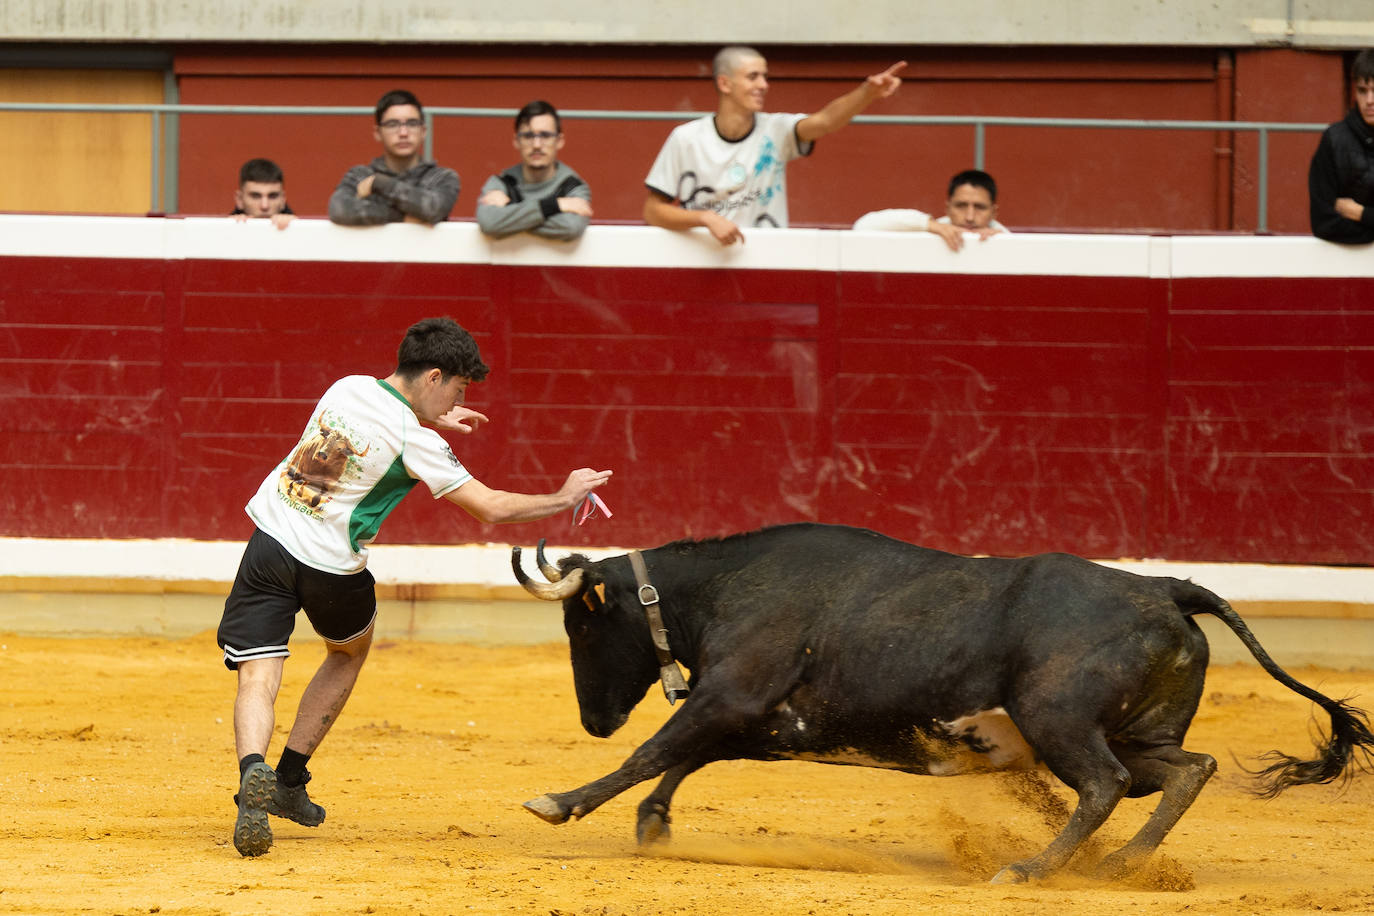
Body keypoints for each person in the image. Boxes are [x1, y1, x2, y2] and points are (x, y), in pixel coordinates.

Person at [218, 316, 613, 857]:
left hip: (269, 539)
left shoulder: (348, 387)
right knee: (347, 652)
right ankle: (287, 781)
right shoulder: (415, 440)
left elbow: (370, 431)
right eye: (458, 386)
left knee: (259, 671)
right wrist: (563, 497)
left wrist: (435, 420)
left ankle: (252, 778)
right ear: (434, 377)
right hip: (329, 568)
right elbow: (491, 508)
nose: (459, 397)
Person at [643, 46, 905, 246]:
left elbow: (825, 121)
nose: (763, 85)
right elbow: (653, 210)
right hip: (702, 262)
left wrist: (867, 93)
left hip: (767, 259)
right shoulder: (686, 138)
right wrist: (705, 218)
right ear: (725, 83)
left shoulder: (776, 130)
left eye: (765, 77)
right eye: (753, 77)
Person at [328, 89, 460, 226]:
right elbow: (339, 210)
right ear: (378, 133)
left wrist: (379, 183)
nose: (403, 133)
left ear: (423, 131)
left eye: (412, 124)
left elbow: (433, 209)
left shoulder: (441, 177)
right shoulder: (360, 175)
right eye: (392, 124)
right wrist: (401, 218)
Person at [476, 100, 592, 241]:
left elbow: (570, 228)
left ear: (559, 141)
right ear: (516, 141)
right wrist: (555, 206)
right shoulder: (501, 183)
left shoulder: (573, 186)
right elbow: (489, 223)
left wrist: (510, 208)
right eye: (528, 136)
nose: (537, 145)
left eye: (545, 135)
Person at [853, 169, 1010, 251]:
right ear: (948, 208)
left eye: (979, 207)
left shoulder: (1005, 237)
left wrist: (1005, 244)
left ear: (993, 213)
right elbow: (863, 226)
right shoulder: (933, 228)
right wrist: (928, 225)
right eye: (961, 206)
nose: (969, 217)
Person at [1309, 49, 1374, 244]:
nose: (1370, 101)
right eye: (1363, 91)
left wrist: (1359, 213)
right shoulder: (1334, 140)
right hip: (1343, 263)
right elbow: (1323, 222)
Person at [231, 158, 294, 230]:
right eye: (255, 196)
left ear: (283, 200)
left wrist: (295, 228)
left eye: (272, 196)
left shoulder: (299, 227)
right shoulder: (225, 229)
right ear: (240, 199)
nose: (264, 206)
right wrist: (228, 228)